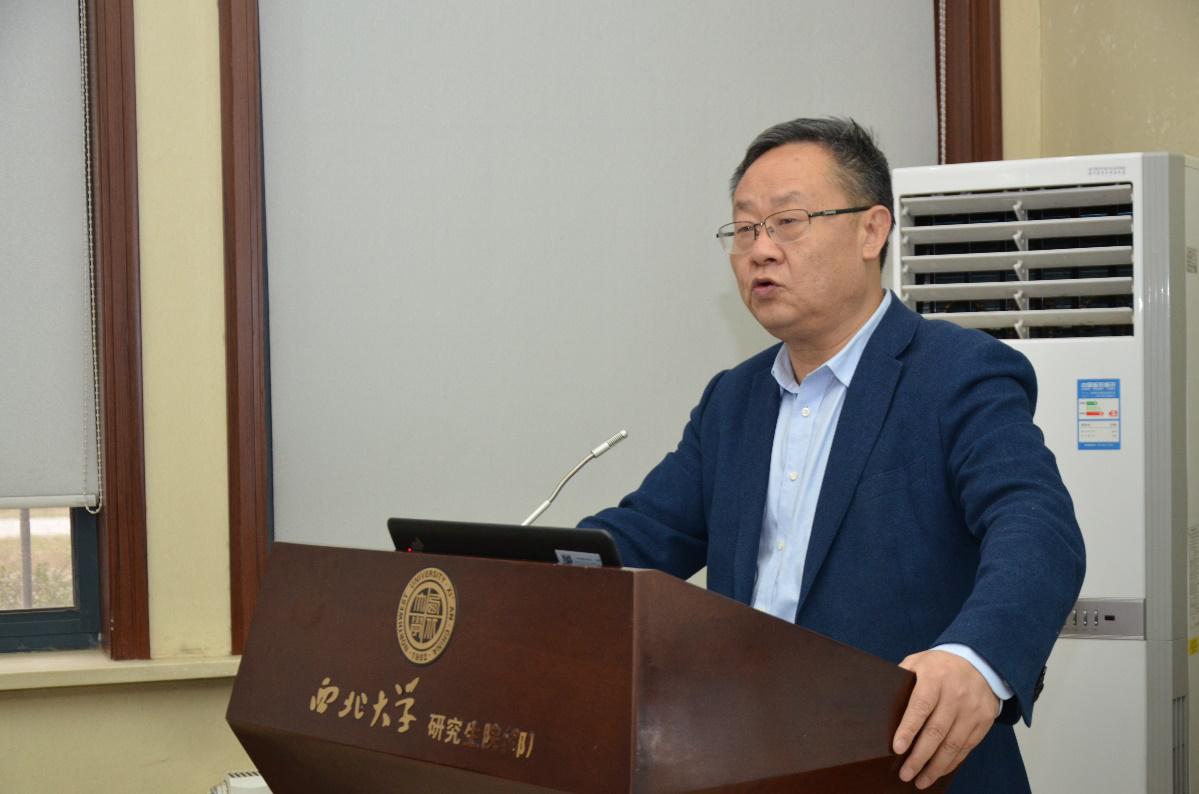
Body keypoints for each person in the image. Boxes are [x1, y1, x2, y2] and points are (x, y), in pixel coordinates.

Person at [579, 117, 1085, 792]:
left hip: (909, 765)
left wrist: (975, 660)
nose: (760, 250)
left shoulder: (956, 373)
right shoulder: (733, 400)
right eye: (744, 229)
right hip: (753, 763)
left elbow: (1035, 526)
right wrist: (514, 575)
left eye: (787, 222)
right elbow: (641, 537)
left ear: (871, 231)